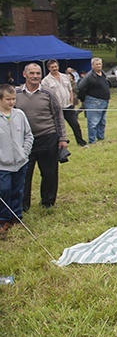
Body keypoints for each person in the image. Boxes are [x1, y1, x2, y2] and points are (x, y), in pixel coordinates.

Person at [15, 63, 67, 211]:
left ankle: (48, 203)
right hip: (24, 140)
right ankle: (23, 206)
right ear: (25, 75)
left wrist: (62, 138)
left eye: (38, 73)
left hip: (47, 137)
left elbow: (58, 116)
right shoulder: (16, 93)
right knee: (24, 174)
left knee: (49, 173)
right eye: (32, 73)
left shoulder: (48, 93)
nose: (35, 76)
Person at [0, 84, 33, 239]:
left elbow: (28, 135)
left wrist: (24, 153)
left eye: (13, 99)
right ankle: (3, 219)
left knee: (18, 190)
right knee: (4, 190)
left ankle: (16, 217)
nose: (12, 102)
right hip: (3, 165)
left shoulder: (19, 114)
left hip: (20, 162)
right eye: (8, 99)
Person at [41, 59, 87, 147]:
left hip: (68, 106)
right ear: (48, 68)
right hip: (56, 108)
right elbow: (46, 95)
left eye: (56, 66)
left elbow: (70, 90)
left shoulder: (65, 77)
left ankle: (81, 142)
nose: (54, 68)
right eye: (52, 67)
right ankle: (59, 143)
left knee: (75, 125)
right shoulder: (45, 81)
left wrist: (71, 101)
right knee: (57, 127)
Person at [77, 57, 111, 144]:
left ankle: (101, 138)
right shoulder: (89, 76)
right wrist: (83, 99)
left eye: (100, 64)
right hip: (93, 101)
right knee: (93, 122)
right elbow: (81, 87)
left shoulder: (103, 74)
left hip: (104, 101)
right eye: (97, 64)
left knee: (102, 122)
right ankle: (92, 141)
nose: (99, 66)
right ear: (92, 66)